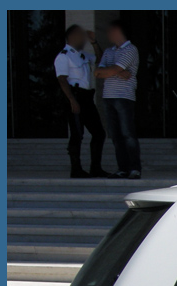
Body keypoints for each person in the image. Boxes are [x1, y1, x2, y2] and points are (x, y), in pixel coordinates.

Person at [54, 25, 109, 178]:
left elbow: (100, 59)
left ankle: (95, 168)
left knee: (99, 133)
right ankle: (76, 169)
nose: (83, 39)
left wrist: (94, 43)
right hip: (74, 96)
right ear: (71, 37)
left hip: (87, 98)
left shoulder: (83, 54)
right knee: (77, 134)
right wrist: (72, 100)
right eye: (80, 35)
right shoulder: (64, 56)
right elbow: (62, 80)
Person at [95, 19, 141, 179]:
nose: (109, 34)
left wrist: (112, 70)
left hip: (124, 97)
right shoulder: (108, 51)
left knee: (128, 133)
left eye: (111, 30)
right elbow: (97, 72)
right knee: (115, 135)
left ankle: (134, 168)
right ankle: (122, 168)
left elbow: (109, 70)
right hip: (108, 97)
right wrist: (118, 71)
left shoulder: (130, 49)